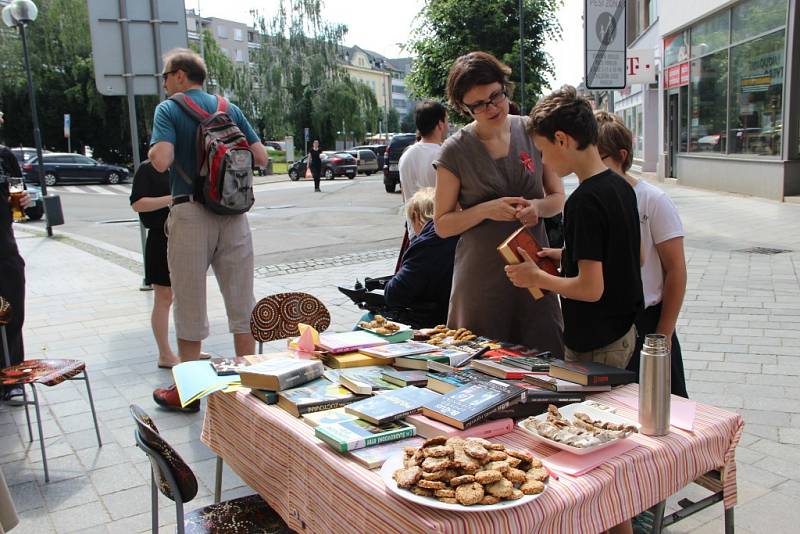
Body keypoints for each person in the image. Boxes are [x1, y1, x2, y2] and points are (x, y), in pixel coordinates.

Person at [507, 85, 643, 534]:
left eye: (544, 151)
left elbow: (590, 287)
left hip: (596, 342)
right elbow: (620, 256)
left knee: (593, 463)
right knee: (604, 456)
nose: (544, 163)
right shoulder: (618, 185)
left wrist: (538, 278)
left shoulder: (583, 199)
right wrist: (560, 254)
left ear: (563, 140)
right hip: (621, 331)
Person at [148, 48, 267, 412]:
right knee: (241, 301)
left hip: (191, 214)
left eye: (166, 76)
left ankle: (188, 391)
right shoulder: (228, 108)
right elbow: (261, 158)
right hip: (234, 214)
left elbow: (161, 160)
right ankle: (249, 386)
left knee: (189, 300)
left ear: (180, 76)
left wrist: (158, 151)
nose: (165, 83)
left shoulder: (168, 109)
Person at [433, 52, 564, 355]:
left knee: (546, 358)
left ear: (505, 88)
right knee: (481, 363)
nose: (491, 108)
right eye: (478, 104)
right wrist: (486, 209)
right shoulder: (455, 150)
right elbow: (441, 224)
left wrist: (537, 208)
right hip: (482, 276)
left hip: (534, 269)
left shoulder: (532, 130)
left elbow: (557, 198)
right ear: (463, 108)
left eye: (496, 96)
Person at [595, 111, 688, 398]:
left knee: (658, 406)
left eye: (600, 160)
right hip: (607, 324)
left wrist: (665, 331)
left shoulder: (652, 200)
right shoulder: (591, 199)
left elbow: (676, 269)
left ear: (621, 156)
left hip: (647, 323)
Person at [130, 161, 182, 369]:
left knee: (186, 297)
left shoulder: (182, 165)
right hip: (160, 239)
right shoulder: (147, 169)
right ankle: (165, 353)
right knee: (164, 297)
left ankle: (188, 346)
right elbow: (137, 203)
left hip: (185, 236)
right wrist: (173, 198)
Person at [384, 188, 459, 327]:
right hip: (453, 313)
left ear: (416, 216)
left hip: (433, 322)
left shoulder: (427, 244)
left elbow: (394, 295)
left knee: (368, 318)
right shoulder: (459, 232)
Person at [0, 111, 32, 402]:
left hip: (5, 247)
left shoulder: (4, 156)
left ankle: (13, 379)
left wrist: (23, 201)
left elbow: (18, 191)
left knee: (12, 313)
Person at [398, 100, 448, 238]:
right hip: (439, 234)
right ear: (440, 124)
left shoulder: (406, 155)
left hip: (414, 232)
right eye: (446, 120)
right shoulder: (444, 155)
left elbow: (404, 195)